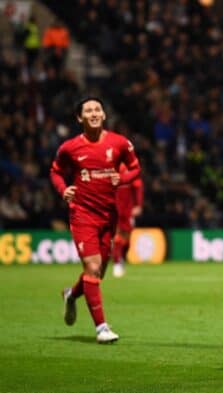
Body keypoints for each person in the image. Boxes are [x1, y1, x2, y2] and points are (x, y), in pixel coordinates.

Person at [50, 97, 141, 343]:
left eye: (97, 109)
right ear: (79, 118)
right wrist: (63, 190)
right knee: (91, 267)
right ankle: (101, 328)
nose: (93, 113)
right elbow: (55, 170)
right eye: (88, 110)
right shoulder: (70, 147)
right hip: (82, 215)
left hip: (108, 216)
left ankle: (71, 294)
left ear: (103, 114)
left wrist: (122, 179)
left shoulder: (119, 143)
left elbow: (135, 168)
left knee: (97, 273)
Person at [112, 163, 144, 278]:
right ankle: (116, 263)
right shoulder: (109, 165)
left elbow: (138, 186)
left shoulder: (130, 167)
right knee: (118, 235)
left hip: (128, 209)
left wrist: (138, 205)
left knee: (127, 239)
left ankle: (121, 258)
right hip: (113, 208)